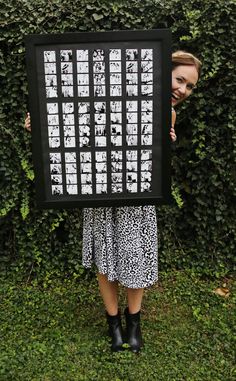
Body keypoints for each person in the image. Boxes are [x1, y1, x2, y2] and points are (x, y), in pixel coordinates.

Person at [24, 50, 202, 354]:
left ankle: (134, 323)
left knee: (135, 259)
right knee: (106, 261)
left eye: (190, 86)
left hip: (137, 197)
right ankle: (113, 324)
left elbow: (153, 159)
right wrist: (42, 126)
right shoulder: (113, 96)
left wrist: (164, 145)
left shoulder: (168, 113)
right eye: (179, 80)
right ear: (160, 72)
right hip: (102, 192)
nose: (182, 90)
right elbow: (77, 129)